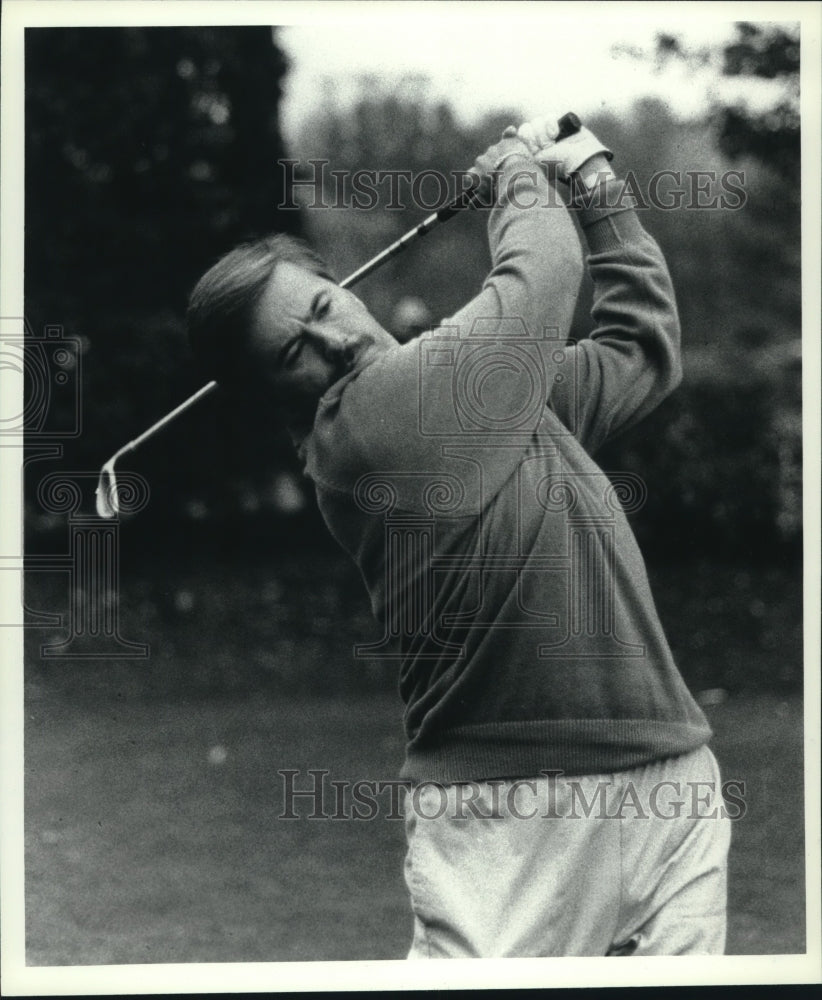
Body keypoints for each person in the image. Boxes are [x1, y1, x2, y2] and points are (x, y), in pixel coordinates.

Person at [187, 113, 731, 958]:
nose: (334, 341)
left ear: (346, 287)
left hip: (669, 775)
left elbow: (640, 349)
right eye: (295, 350)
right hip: (512, 814)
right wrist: (518, 170)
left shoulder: (484, 403)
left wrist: (592, 180)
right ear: (272, 396)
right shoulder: (370, 424)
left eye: (326, 306)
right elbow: (543, 267)